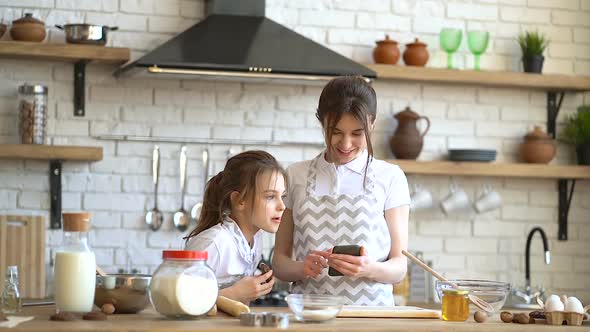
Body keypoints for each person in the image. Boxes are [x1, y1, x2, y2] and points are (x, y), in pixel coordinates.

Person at [272, 76, 411, 306]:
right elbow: (279, 261)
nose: (346, 144)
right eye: (335, 132)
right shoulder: (295, 175)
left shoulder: (391, 177)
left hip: (373, 318)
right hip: (309, 315)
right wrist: (302, 268)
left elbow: (399, 267)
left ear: (372, 124)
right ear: (322, 123)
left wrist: (370, 268)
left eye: (357, 133)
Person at [185, 150, 287, 304]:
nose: (282, 206)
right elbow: (180, 300)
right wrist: (234, 294)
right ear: (239, 200)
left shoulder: (255, 239)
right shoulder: (213, 243)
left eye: (283, 196)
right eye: (270, 196)